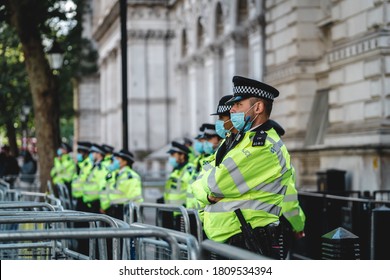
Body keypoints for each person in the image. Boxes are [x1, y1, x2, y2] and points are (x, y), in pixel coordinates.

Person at [192, 75, 305, 259]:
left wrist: (207, 189)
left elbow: (215, 183)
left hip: (248, 239)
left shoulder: (263, 146)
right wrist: (207, 194)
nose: (232, 109)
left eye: (239, 104)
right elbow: (201, 179)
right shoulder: (240, 140)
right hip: (227, 239)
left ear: (258, 107)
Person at [100, 149, 143, 220]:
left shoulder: (131, 176)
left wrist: (132, 213)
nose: (115, 161)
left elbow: (134, 197)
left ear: (125, 162)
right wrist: (104, 206)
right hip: (112, 209)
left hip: (124, 211)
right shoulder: (113, 174)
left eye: (118, 159)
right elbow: (107, 190)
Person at [163, 140, 194, 230]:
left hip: (184, 213)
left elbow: (192, 192)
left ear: (182, 155)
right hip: (172, 212)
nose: (171, 158)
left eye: (173, 155)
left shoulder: (189, 170)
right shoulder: (176, 171)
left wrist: (188, 209)